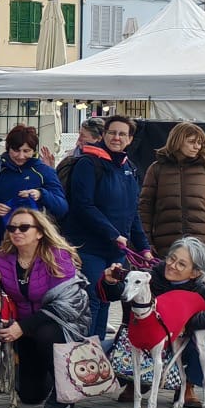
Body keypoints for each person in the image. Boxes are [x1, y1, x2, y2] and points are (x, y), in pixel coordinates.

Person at [98, 236, 205, 408]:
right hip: (138, 340)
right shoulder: (148, 275)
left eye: (181, 264)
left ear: (195, 273)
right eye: (172, 258)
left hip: (175, 342)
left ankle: (187, 385)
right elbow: (115, 293)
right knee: (100, 351)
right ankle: (136, 381)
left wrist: (185, 320)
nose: (172, 265)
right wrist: (109, 282)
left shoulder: (198, 289)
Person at [0, 208, 84, 408]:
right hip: (23, 329)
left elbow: (65, 305)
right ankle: (49, 373)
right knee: (30, 396)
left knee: (45, 333)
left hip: (61, 324)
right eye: (12, 228)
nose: (16, 232)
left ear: (39, 232)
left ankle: (66, 389)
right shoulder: (0, 259)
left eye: (24, 227)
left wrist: (22, 326)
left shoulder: (59, 257)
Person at [62, 114, 148, 336]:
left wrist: (144, 247)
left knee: (107, 298)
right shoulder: (88, 163)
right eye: (112, 132)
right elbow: (83, 205)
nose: (116, 138)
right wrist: (112, 234)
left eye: (122, 134)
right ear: (104, 135)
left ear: (130, 139)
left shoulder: (130, 168)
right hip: (89, 246)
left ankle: (97, 353)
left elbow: (133, 212)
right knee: (92, 299)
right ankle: (84, 356)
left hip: (116, 250)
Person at [139, 122, 205, 267]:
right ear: (177, 141)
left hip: (204, 245)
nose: (197, 146)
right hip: (167, 246)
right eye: (191, 142)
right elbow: (145, 209)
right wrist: (146, 243)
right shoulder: (157, 169)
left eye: (200, 143)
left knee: (202, 289)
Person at [0, 125, 67, 250]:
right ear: (8, 148)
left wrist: (41, 194)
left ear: (34, 151)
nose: (21, 156)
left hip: (34, 245)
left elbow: (62, 207)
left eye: (26, 151)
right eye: (16, 150)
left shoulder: (44, 171)